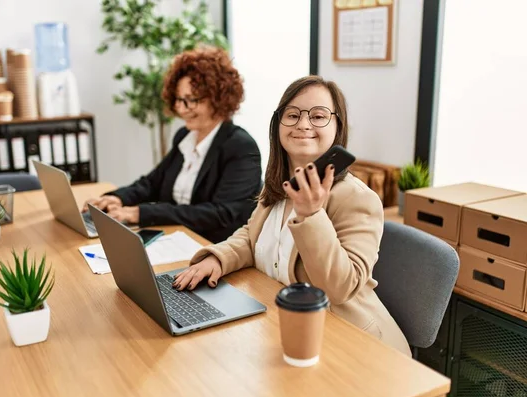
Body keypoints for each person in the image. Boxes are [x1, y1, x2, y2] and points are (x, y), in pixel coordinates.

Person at [172, 75, 411, 356]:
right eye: (293, 115)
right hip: (288, 326)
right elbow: (252, 237)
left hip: (353, 343)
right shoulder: (279, 184)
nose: (303, 124)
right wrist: (217, 258)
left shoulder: (358, 199)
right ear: (278, 125)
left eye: (318, 116)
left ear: (338, 126)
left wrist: (311, 214)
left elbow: (339, 288)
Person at [83, 47, 262, 243]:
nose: (181, 109)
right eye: (179, 100)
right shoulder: (185, 136)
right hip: (176, 238)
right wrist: (118, 198)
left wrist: (139, 213)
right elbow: (152, 182)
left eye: (191, 100)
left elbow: (220, 214)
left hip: (214, 247)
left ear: (218, 98)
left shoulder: (241, 147)